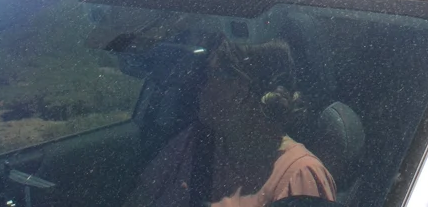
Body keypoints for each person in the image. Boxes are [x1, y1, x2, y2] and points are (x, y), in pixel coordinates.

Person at [125, 37, 337, 206]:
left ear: (242, 90)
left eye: (211, 75)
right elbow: (140, 199)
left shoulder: (299, 175)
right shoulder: (196, 142)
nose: (200, 86)